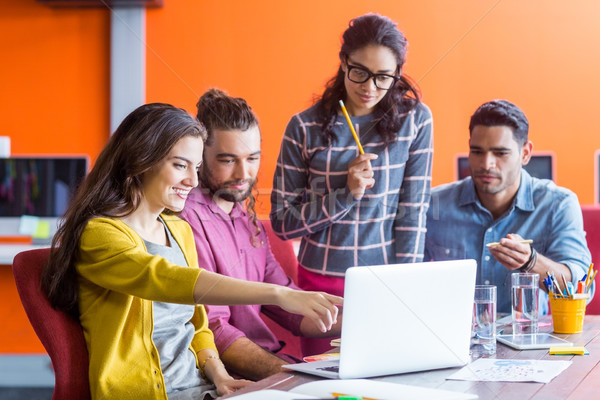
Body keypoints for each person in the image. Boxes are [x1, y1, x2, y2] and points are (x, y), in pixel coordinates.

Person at [41, 103, 342, 400]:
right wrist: (277, 294)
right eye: (180, 165)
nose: (193, 181)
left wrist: (220, 376)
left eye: (196, 167)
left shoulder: (178, 230)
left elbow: (197, 325)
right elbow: (166, 280)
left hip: (201, 389)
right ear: (140, 160)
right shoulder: (101, 233)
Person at [270, 13, 433, 355]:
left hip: (387, 282)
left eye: (383, 77)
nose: (369, 87)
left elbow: (413, 213)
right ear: (343, 62)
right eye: (359, 72)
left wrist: (406, 286)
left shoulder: (415, 120)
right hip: (321, 288)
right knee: (322, 384)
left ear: (397, 75)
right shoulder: (304, 127)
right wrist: (345, 196)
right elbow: (283, 223)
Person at [179, 88, 342, 381]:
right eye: (228, 160)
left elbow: (291, 307)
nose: (244, 172)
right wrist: (289, 375)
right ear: (200, 157)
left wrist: (369, 321)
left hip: (272, 364)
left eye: (252, 158)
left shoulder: (245, 217)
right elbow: (214, 329)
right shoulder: (188, 218)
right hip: (226, 376)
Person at [424, 99, 592, 315]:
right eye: (477, 152)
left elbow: (582, 290)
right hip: (452, 339)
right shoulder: (433, 204)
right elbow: (405, 279)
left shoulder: (558, 204)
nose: (486, 164)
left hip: (527, 342)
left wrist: (532, 262)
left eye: (500, 153)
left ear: (525, 153)